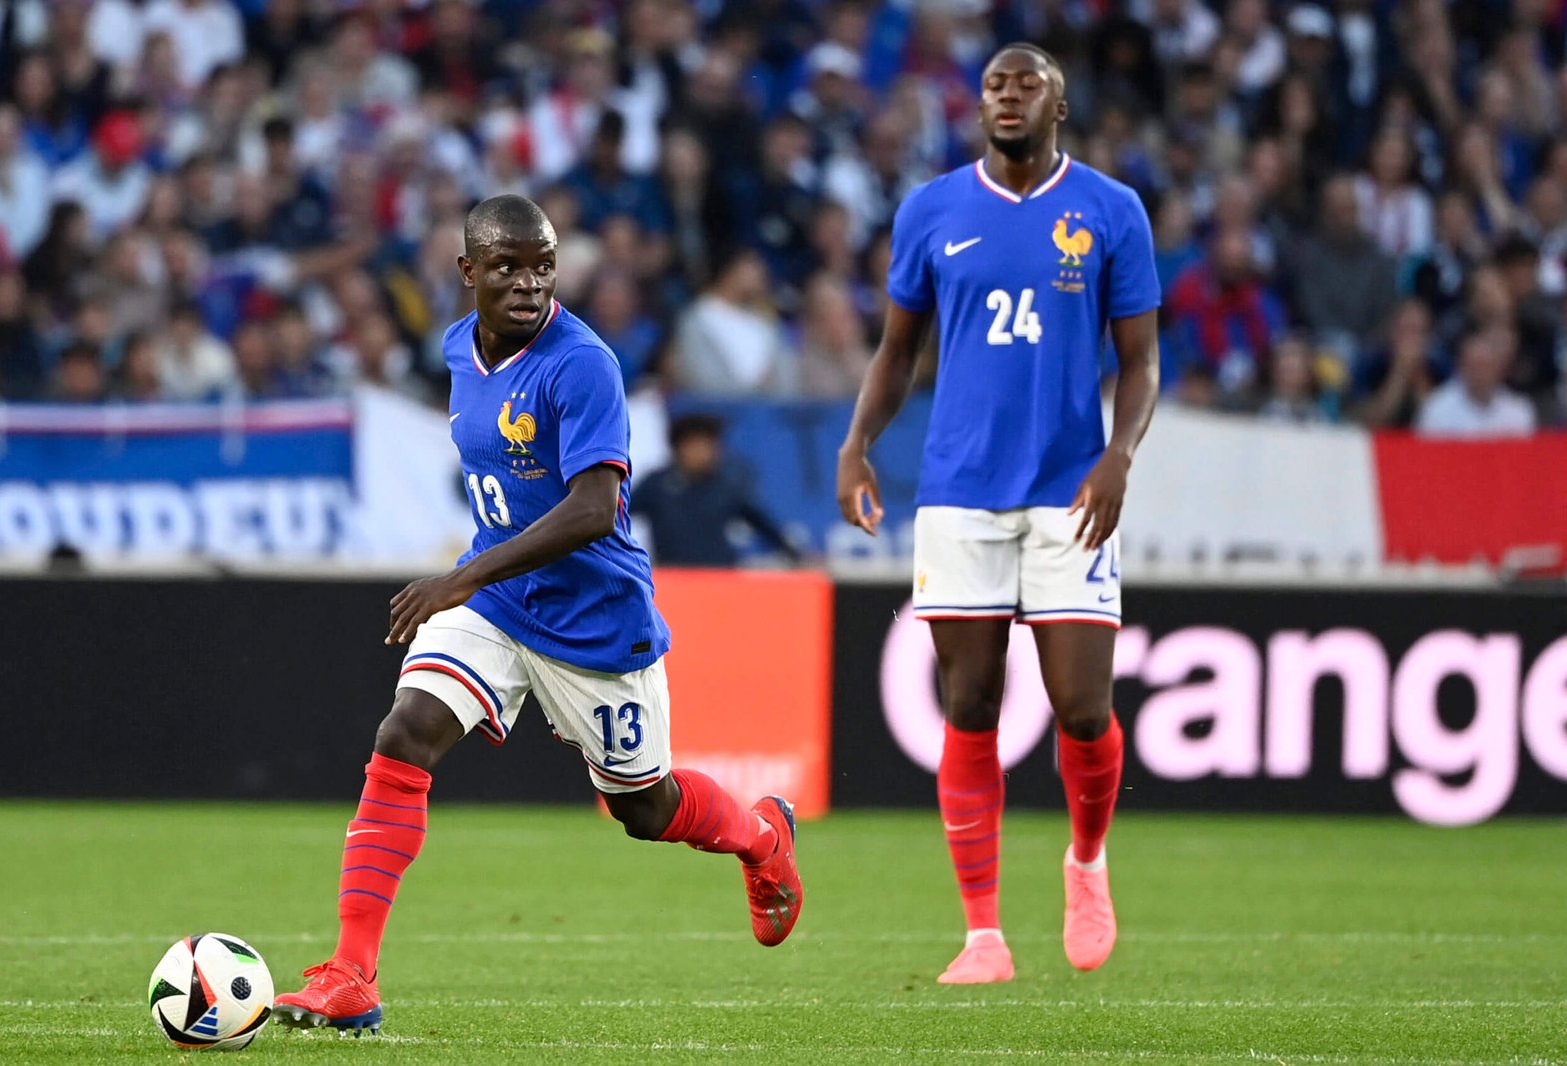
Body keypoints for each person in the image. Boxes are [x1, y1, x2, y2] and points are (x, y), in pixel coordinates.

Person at [270, 196, 803, 1036]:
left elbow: (594, 507)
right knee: (404, 731)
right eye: (508, 266)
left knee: (644, 809)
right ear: (468, 272)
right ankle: (351, 973)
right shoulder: (457, 350)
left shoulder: (583, 365)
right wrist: (476, 582)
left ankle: (762, 839)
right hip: (500, 602)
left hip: (595, 621)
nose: (527, 283)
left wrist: (460, 574)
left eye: (542, 267)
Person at [836, 44, 1161, 984]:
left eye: (1026, 85)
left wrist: (1117, 455)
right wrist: (858, 443)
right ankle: (984, 934)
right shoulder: (932, 210)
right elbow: (898, 352)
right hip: (958, 492)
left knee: (1082, 708)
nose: (1006, 96)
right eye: (993, 85)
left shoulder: (1109, 210)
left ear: (1059, 104)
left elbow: (1140, 362)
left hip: (1069, 488)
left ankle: (1087, 861)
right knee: (969, 705)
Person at [631, 414, 802, 567]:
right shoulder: (657, 484)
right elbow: (619, 515)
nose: (705, 453)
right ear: (679, 448)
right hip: (674, 580)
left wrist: (795, 554)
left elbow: (764, 524)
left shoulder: (725, 486)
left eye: (710, 446)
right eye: (697, 446)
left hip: (719, 579)